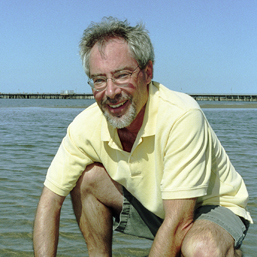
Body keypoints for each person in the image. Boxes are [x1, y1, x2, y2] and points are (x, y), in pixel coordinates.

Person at [33, 17, 252, 257]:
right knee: (86, 179)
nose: (110, 92)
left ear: (147, 73)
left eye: (122, 75)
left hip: (210, 207)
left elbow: (179, 221)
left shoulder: (181, 115)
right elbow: (49, 202)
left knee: (200, 248)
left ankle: (227, 250)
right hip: (156, 208)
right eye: (98, 80)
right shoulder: (84, 126)